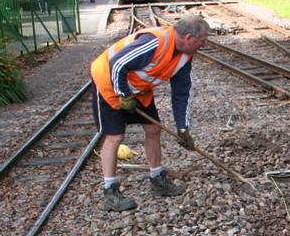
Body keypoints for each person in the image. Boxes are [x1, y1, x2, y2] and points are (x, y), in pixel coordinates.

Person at [89, 14, 210, 211]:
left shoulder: (184, 57)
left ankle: (157, 180)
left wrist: (182, 128)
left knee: (153, 129)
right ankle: (110, 192)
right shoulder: (155, 42)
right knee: (115, 136)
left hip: (138, 88)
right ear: (189, 38)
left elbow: (182, 93)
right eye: (202, 41)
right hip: (109, 83)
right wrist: (124, 95)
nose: (203, 45)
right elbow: (117, 64)